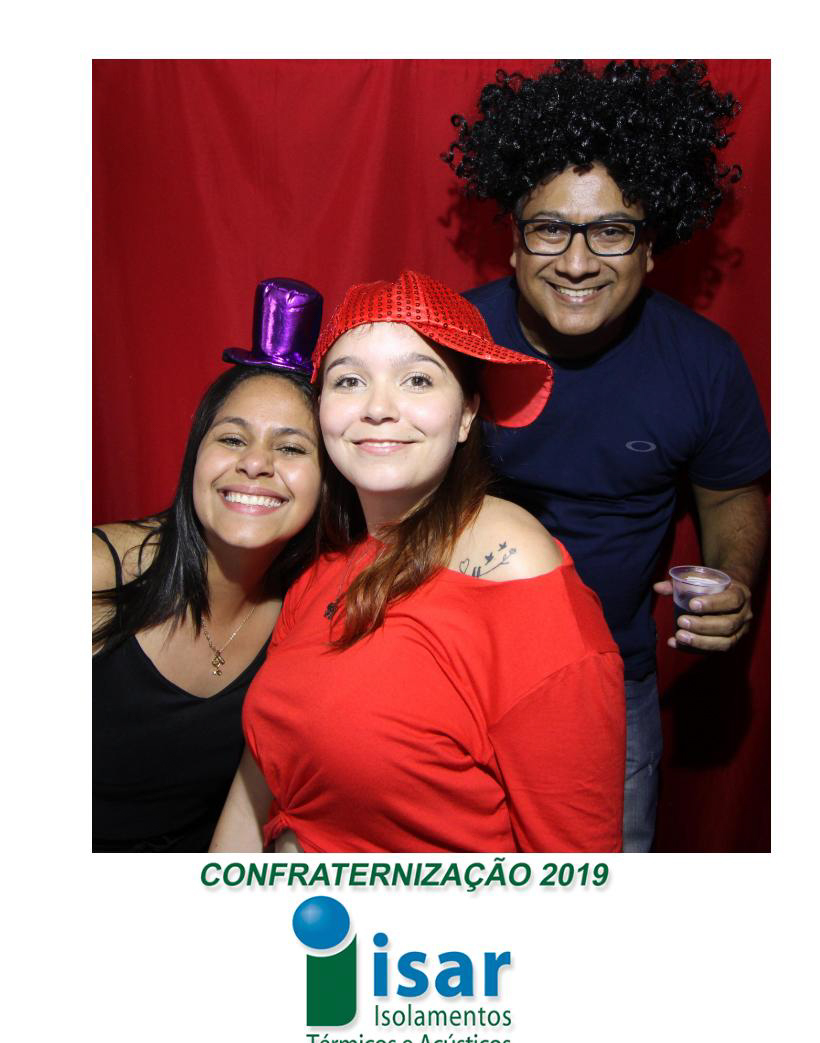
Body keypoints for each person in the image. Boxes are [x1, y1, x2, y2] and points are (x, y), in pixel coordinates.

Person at [443, 60, 771, 851]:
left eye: (612, 231)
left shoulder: (704, 363)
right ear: (515, 242)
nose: (577, 261)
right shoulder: (451, 344)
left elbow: (730, 493)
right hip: (449, 672)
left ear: (651, 248)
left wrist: (733, 578)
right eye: (550, 228)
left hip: (611, 683)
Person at [211, 269, 626, 854]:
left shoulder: (527, 594)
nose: (379, 408)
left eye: (417, 379)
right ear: (322, 409)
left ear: (466, 414)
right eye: (350, 380)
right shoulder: (325, 565)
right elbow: (261, 780)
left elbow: (575, 871)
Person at [92, 279, 323, 852]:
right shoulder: (94, 573)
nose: (255, 464)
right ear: (196, 453)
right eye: (232, 439)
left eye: (291, 448)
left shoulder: (308, 614)